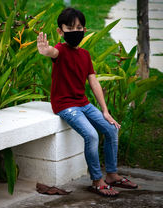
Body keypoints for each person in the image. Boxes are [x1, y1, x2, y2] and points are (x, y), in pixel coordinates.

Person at [36, 7, 138, 197]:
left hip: (82, 103)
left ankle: (112, 175)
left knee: (111, 129)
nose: (75, 31)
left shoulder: (84, 54)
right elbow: (52, 52)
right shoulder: (60, 50)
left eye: (79, 27)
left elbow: (93, 81)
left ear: (84, 29)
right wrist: (45, 50)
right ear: (60, 31)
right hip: (65, 105)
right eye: (70, 28)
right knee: (91, 135)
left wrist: (105, 111)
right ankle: (97, 180)